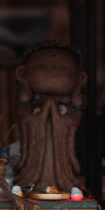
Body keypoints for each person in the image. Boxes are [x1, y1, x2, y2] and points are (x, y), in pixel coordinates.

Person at [13, 41, 86, 195]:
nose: (53, 71)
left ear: (80, 78)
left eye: (63, 68)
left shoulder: (71, 110)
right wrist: (39, 118)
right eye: (43, 67)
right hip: (33, 160)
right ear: (22, 74)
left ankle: (64, 184)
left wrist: (59, 119)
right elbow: (24, 118)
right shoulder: (29, 107)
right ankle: (30, 184)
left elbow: (73, 121)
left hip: (62, 162)